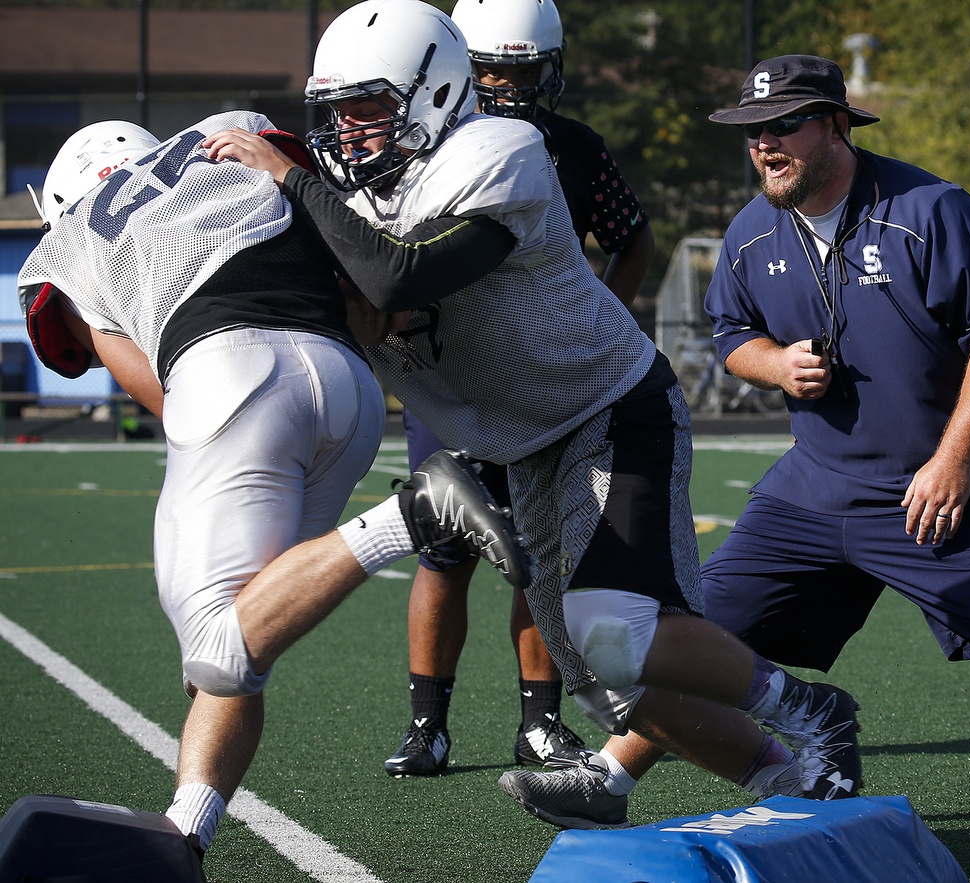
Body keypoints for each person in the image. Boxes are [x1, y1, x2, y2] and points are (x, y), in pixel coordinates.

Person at [495, 54, 970, 850]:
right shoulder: (752, 229)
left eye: (783, 124)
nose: (765, 144)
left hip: (940, 486)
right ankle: (612, 776)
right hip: (818, 485)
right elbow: (732, 337)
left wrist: (953, 459)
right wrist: (775, 364)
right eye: (753, 131)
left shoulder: (933, 210)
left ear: (835, 124)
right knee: (690, 632)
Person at [204, 0, 864, 826]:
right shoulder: (356, 201)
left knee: (614, 627)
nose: (351, 133)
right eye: (337, 115)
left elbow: (399, 280)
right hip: (521, 440)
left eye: (370, 108)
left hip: (609, 406)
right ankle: (787, 781)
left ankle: (808, 711)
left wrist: (290, 177)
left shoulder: (501, 149)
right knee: (604, 687)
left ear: (436, 95)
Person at [16, 113, 526, 859]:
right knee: (243, 648)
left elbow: (160, 393)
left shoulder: (69, 242)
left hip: (233, 379)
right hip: (348, 386)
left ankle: (418, 508)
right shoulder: (225, 139)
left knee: (216, 649)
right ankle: (186, 837)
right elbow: (346, 257)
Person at [378, 0, 657, 778]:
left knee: (538, 556)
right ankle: (426, 723)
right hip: (458, 384)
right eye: (488, 70)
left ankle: (540, 723)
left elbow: (632, 235)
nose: (504, 86)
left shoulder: (570, 147)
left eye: (519, 71)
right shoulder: (422, 150)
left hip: (544, 388)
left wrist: (598, 318)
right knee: (446, 551)